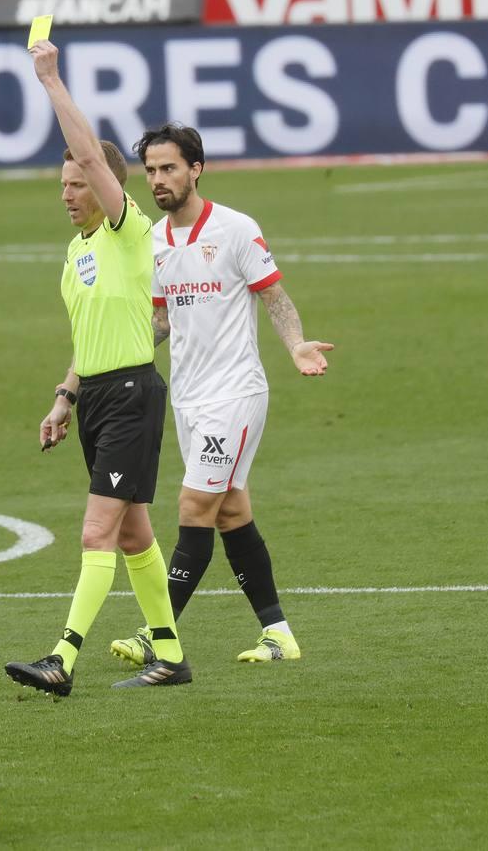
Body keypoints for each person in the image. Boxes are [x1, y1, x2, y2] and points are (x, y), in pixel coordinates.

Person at [3, 39, 189, 695]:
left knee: (97, 531)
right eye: (63, 185)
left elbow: (88, 148)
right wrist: (64, 397)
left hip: (135, 394)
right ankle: (169, 654)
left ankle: (63, 657)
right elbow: (91, 339)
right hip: (102, 399)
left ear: (105, 185)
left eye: (78, 182)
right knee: (135, 533)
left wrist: (51, 81)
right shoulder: (75, 254)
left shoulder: (125, 228)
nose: (68, 193)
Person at [110, 123, 334, 666]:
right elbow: (163, 319)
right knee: (231, 513)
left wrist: (297, 344)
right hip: (187, 397)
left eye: (168, 168)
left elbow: (273, 297)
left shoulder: (235, 229)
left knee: (194, 507)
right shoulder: (156, 240)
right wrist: (121, 356)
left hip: (234, 394)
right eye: (151, 171)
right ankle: (278, 634)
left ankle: (156, 633)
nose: (158, 180)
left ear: (196, 169)